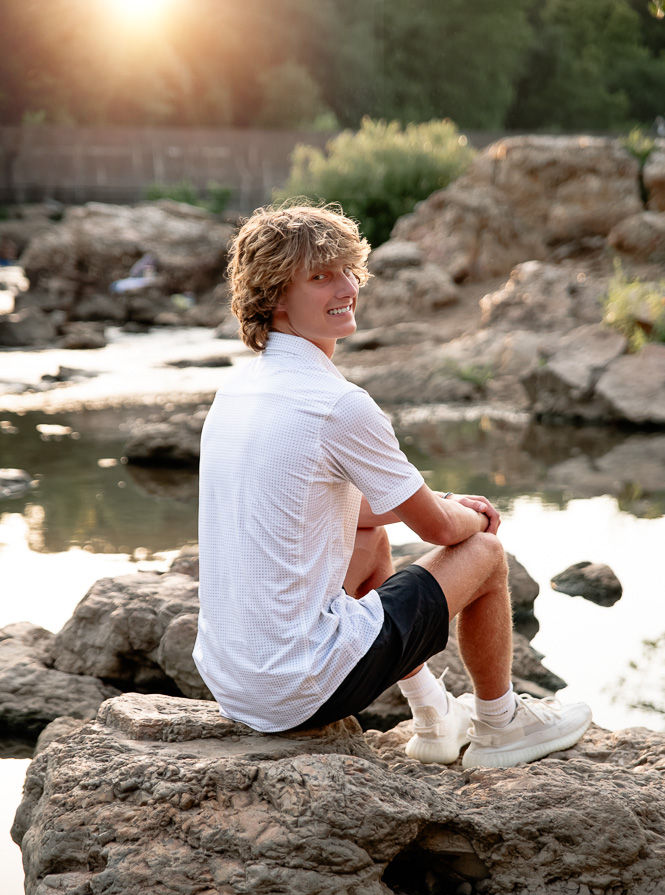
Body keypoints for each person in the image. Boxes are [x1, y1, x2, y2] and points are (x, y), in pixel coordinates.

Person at [192, 202, 592, 769]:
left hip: (234, 682)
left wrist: (441, 501)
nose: (346, 287)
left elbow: (335, 506)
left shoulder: (236, 390)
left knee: (367, 538)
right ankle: (502, 726)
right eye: (320, 276)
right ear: (275, 297)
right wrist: (473, 517)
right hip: (300, 690)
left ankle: (433, 717)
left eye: (347, 270)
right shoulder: (337, 405)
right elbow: (435, 528)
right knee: (484, 554)